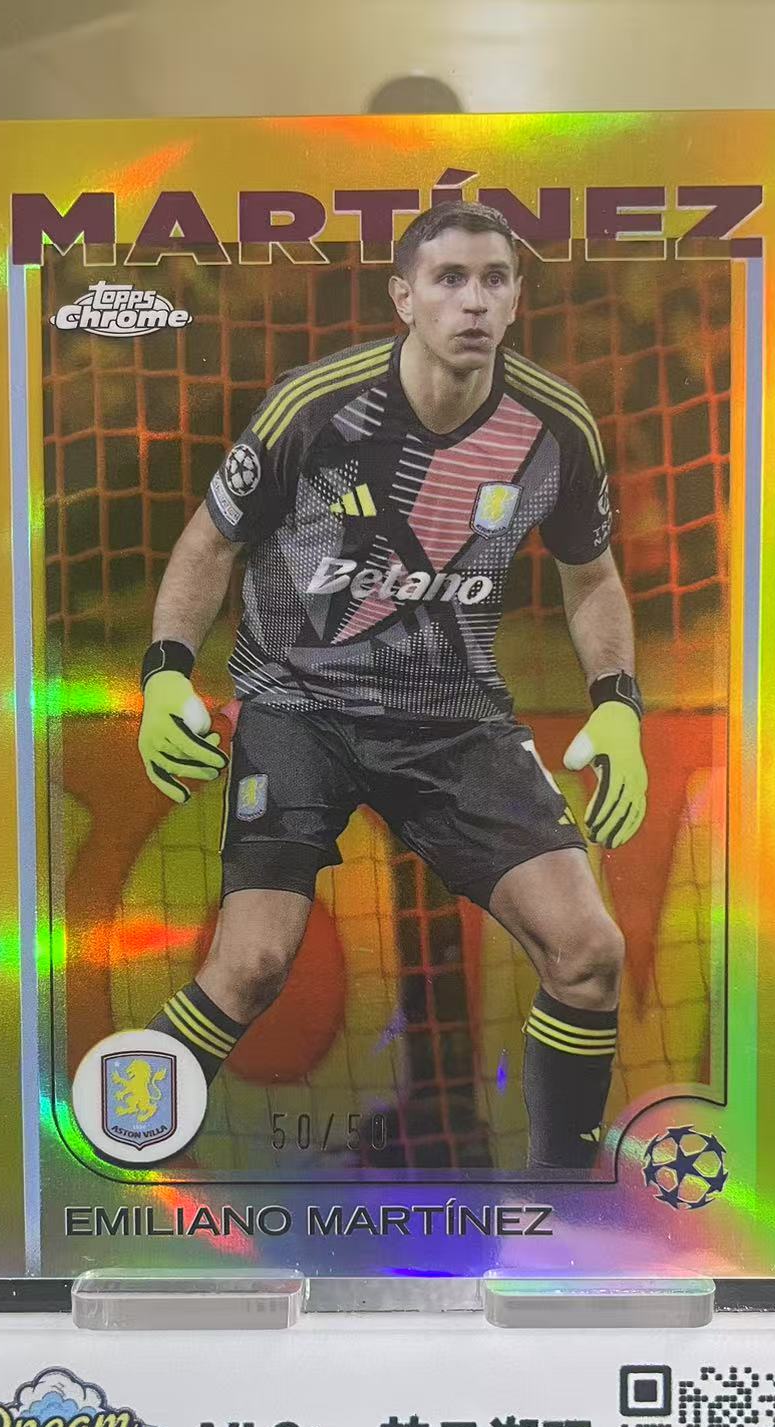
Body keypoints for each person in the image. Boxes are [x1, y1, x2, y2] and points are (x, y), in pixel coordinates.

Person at [136, 201, 647, 1170]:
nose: (473, 301)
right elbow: (208, 544)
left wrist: (617, 704)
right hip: (300, 708)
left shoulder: (555, 427)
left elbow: (591, 577)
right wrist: (166, 676)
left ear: (517, 299)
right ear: (402, 297)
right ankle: (121, 1136)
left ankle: (564, 1197)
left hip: (453, 720)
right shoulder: (314, 407)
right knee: (251, 964)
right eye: (449, 279)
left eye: (493, 279)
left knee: (589, 955)